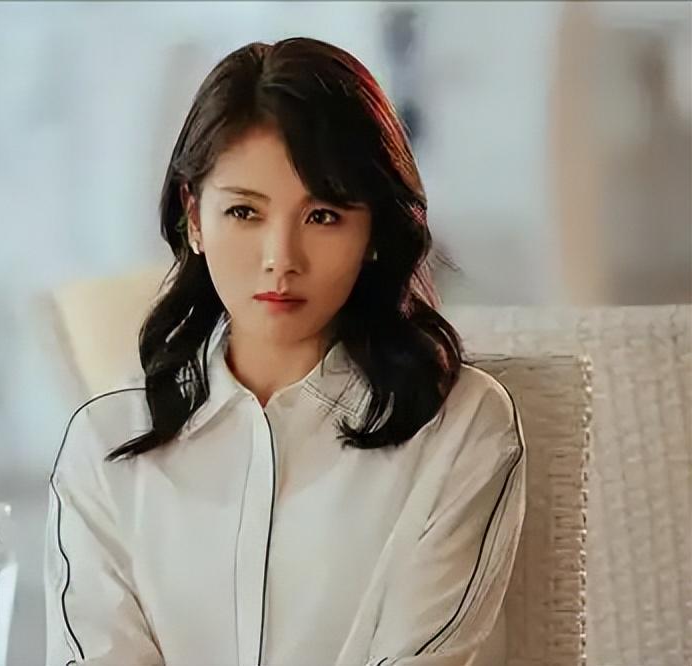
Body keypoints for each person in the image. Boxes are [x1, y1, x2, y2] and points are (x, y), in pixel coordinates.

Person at [43, 37, 525, 666]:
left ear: (374, 230)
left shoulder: (460, 430)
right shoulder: (105, 446)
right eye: (245, 212)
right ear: (195, 217)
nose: (281, 259)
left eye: (322, 216)